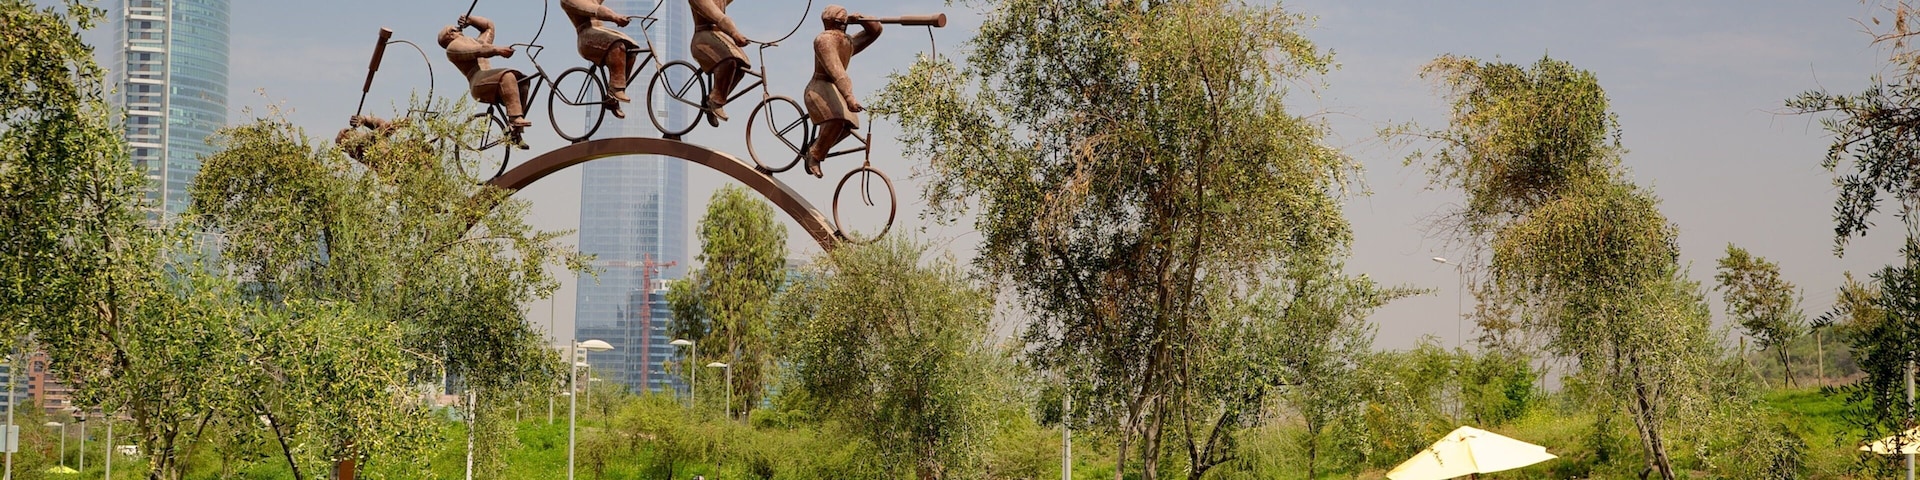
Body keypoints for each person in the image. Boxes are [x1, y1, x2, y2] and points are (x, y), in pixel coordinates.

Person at [803, 5, 880, 177]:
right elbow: (837, 71)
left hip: (834, 89)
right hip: (819, 87)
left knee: (848, 125)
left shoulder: (846, 42)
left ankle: (817, 146)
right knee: (837, 118)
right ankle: (815, 156)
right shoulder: (824, 40)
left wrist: (863, 20)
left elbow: (875, 31)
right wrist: (849, 96)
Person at [439, 15, 529, 136]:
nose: (458, 28)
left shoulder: (474, 41)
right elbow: (478, 50)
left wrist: (470, 19)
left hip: (488, 78)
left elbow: (488, 27)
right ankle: (515, 118)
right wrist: (498, 50)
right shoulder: (453, 47)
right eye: (453, 28)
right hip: (478, 82)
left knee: (522, 80)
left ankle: (515, 131)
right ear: (450, 34)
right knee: (507, 75)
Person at [562, 0, 640, 119]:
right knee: (617, 45)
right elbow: (594, 9)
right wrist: (615, 17)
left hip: (601, 32)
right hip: (587, 37)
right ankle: (616, 88)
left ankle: (612, 97)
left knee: (632, 48)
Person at [689, 0, 751, 126]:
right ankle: (716, 99)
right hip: (703, 39)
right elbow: (719, 17)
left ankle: (713, 99)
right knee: (729, 61)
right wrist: (734, 33)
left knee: (742, 65)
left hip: (718, 36)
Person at [334, 114, 406, 163]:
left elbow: (381, 124)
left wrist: (364, 119)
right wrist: (399, 123)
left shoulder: (362, 145)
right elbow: (382, 130)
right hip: (395, 165)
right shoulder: (358, 147)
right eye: (350, 132)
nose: (356, 131)